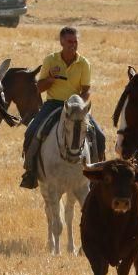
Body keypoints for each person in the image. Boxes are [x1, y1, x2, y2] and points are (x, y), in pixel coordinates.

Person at [20, 26, 105, 189]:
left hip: (76, 105)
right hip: (54, 104)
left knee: (99, 136)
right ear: (61, 42)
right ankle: (30, 172)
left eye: (75, 41)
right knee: (31, 131)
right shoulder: (50, 60)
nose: (73, 45)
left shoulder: (84, 63)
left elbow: (86, 89)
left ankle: (96, 175)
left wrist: (80, 103)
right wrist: (51, 78)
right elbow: (39, 87)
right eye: (69, 41)